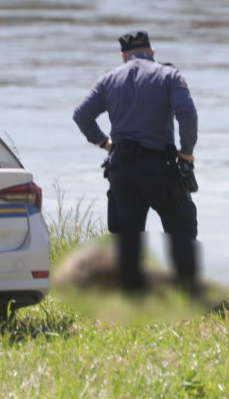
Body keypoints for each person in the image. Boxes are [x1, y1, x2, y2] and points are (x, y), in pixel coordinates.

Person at [72, 31, 199, 294]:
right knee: (181, 232)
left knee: (127, 240)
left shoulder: (108, 79)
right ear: (152, 52)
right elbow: (187, 114)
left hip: (122, 169)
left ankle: (131, 297)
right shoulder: (169, 76)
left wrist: (105, 143)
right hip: (160, 168)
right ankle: (186, 294)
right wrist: (186, 154)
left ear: (123, 56)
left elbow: (81, 115)